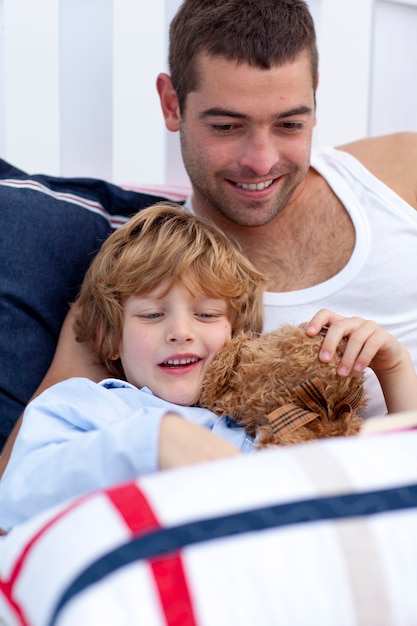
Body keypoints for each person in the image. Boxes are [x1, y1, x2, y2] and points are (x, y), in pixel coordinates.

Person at [1, 0, 417, 468]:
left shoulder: (399, 170)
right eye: (226, 126)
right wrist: (151, 444)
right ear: (172, 103)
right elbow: (20, 479)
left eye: (290, 124)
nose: (261, 161)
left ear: (315, 99)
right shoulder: (145, 285)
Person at [1, 202, 416, 532]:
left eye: (205, 315)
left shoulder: (266, 424)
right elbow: (16, 496)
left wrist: (394, 369)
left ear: (239, 336)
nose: (180, 331)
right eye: (151, 315)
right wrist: (151, 440)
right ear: (109, 338)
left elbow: (391, 480)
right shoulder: (86, 405)